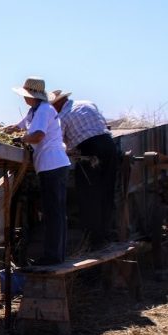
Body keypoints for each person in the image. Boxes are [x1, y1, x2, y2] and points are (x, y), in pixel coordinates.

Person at [5, 77, 71, 265]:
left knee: (53, 212)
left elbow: (38, 135)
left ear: (31, 96)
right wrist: (11, 130)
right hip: (49, 165)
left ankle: (53, 256)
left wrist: (22, 139)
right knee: (54, 211)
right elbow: (20, 125)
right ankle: (56, 254)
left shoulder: (44, 110)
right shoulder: (34, 111)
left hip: (53, 165)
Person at [50, 89, 118, 249]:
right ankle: (107, 233)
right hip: (109, 145)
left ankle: (95, 239)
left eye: (53, 106)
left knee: (89, 194)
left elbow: (58, 143)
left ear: (59, 102)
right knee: (107, 191)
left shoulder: (62, 117)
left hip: (90, 152)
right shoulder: (88, 103)